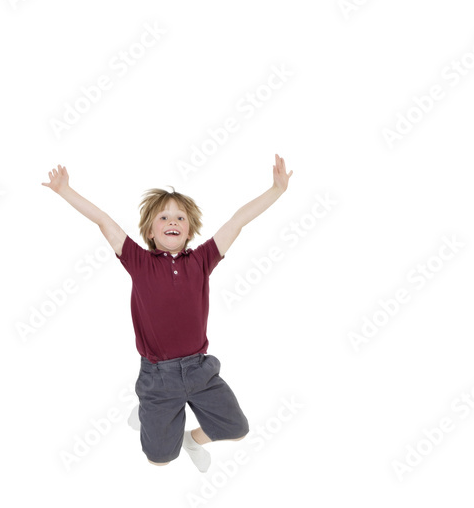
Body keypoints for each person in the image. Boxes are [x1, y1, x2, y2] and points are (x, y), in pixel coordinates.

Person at [43, 156, 293, 471]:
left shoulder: (202, 260)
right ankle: (150, 411)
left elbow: (237, 221)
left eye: (179, 218)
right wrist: (66, 190)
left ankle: (192, 439)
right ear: (150, 231)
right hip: (157, 377)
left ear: (190, 230)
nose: (172, 222)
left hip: (200, 370)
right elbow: (104, 221)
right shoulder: (139, 260)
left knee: (237, 429)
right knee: (160, 459)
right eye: (163, 218)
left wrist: (276, 190)